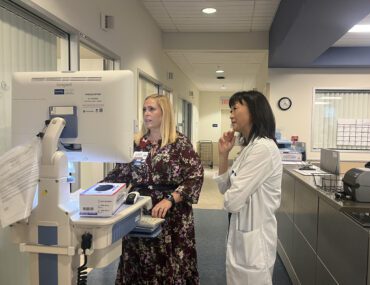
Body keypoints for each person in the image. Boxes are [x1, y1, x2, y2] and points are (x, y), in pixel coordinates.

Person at [102, 94, 204, 285]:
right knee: (138, 260)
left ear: (164, 113)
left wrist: (170, 199)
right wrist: (97, 190)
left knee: (169, 264)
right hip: (140, 211)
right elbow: (121, 173)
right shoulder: (137, 143)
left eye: (151, 109)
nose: (146, 114)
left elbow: (195, 176)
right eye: (144, 110)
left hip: (171, 215)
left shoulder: (179, 143)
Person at [214, 90, 282, 284]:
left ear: (253, 111)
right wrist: (223, 155)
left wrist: (231, 195)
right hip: (242, 231)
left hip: (255, 239)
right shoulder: (249, 148)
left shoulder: (263, 149)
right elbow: (224, 188)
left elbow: (231, 202)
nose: (231, 114)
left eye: (235, 108)